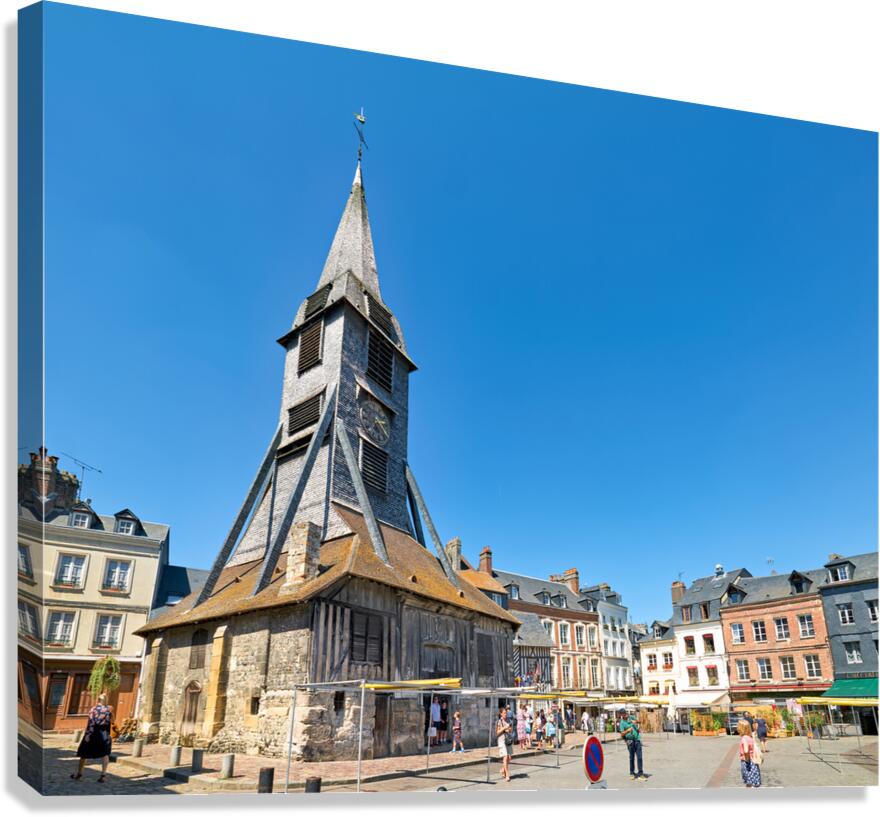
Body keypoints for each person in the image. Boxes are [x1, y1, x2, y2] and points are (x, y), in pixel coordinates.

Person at [71, 693, 114, 783]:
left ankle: (79, 773)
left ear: (98, 700)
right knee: (105, 754)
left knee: (84, 754)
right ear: (106, 700)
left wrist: (88, 735)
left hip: (93, 733)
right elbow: (112, 722)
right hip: (104, 734)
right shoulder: (108, 711)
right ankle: (103, 775)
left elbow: (91, 723)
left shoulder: (93, 710)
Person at [618, 709, 646, 781]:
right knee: (631, 758)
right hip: (629, 741)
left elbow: (641, 722)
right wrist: (627, 730)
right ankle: (632, 773)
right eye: (623, 713)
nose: (625, 714)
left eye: (625, 712)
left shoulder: (631, 717)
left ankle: (640, 773)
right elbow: (621, 734)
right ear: (621, 715)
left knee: (640, 757)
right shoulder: (622, 723)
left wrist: (636, 721)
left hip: (637, 740)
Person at [738, 719, 762, 787]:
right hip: (753, 761)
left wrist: (747, 760)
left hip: (747, 761)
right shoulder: (749, 737)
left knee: (749, 782)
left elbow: (746, 751)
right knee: (754, 781)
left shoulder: (744, 738)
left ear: (741, 728)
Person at [496, 706, 513, 782]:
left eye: (506, 713)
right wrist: (504, 728)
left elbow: (511, 730)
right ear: (501, 714)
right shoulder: (499, 721)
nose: (506, 714)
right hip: (501, 740)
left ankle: (503, 769)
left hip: (508, 740)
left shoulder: (509, 720)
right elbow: (497, 732)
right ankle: (507, 774)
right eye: (504, 713)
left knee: (509, 758)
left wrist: (509, 729)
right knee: (505, 757)